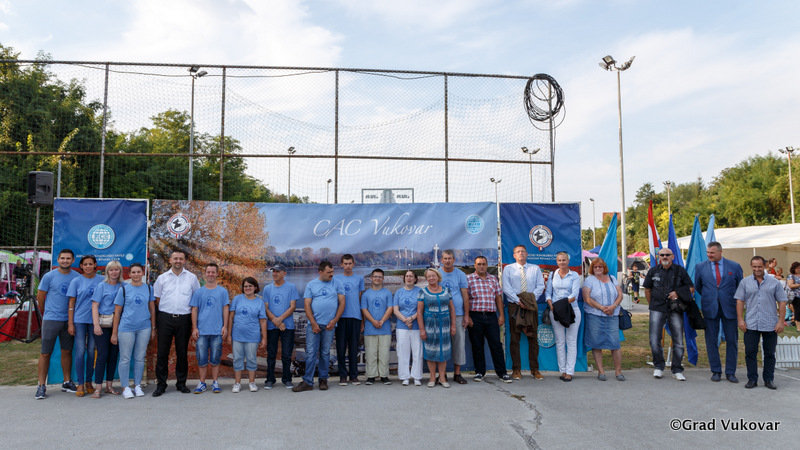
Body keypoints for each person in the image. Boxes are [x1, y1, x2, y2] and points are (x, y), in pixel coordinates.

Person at [694, 242, 744, 383]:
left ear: (720, 252)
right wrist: (711, 297)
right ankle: (716, 371)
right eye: (708, 252)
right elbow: (699, 286)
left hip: (730, 308)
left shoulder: (734, 266)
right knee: (711, 340)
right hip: (710, 308)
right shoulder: (700, 267)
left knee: (732, 341)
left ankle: (730, 372)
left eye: (712, 253)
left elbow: (740, 287)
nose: (709, 255)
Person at [152, 250, 200, 397]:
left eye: (181, 259)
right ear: (170, 260)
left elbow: (196, 299)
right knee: (162, 353)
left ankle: (181, 383)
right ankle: (161, 385)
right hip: (165, 318)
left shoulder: (192, 278)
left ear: (184, 261)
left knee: (182, 352)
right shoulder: (162, 278)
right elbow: (157, 299)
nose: (178, 261)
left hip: (184, 319)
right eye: (175, 258)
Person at [736, 256, 788, 389]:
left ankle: (769, 379)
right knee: (750, 353)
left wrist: (781, 322)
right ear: (751, 266)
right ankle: (752, 379)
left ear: (764, 266)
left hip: (770, 324)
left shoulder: (775, 282)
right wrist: (740, 319)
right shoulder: (745, 282)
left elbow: (782, 302)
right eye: (754, 266)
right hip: (751, 323)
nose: (757, 269)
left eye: (759, 266)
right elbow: (740, 301)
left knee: (769, 353)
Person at [293, 261, 345, 392]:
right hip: (313, 325)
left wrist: (335, 320)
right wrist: (313, 323)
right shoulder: (311, 285)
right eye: (329, 272)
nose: (331, 275)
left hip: (329, 325)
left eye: (332, 272)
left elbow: (342, 303)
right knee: (311, 353)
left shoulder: (337, 283)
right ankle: (308, 381)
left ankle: (323, 379)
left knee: (325, 353)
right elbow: (307, 305)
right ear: (320, 272)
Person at [643, 248, 694, 381]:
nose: (665, 257)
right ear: (658, 257)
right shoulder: (653, 271)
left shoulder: (680, 270)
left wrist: (678, 293)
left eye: (667, 255)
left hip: (675, 309)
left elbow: (691, 288)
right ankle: (658, 367)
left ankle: (677, 369)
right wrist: (652, 304)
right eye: (662, 255)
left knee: (678, 341)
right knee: (654, 339)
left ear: (673, 256)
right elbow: (647, 289)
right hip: (657, 308)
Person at [35, 249, 80, 399]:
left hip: (69, 320)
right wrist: (46, 312)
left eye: (68, 258)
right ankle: (41, 385)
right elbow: (40, 296)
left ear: (73, 260)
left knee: (67, 351)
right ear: (58, 260)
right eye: (63, 258)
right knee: (45, 353)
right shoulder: (49, 276)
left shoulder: (77, 277)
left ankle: (66, 382)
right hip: (51, 319)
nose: (65, 261)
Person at [111, 263, 156, 399]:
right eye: (133, 272)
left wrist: (153, 328)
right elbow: (117, 312)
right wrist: (114, 333)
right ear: (129, 274)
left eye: (138, 272)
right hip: (126, 328)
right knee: (125, 358)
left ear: (142, 273)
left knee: (140, 357)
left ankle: (137, 385)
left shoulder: (149, 288)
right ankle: (125, 387)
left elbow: (152, 309)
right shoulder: (124, 290)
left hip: (144, 327)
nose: (136, 274)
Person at [501, 245, 545, 380]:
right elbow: (506, 287)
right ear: (514, 255)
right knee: (515, 339)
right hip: (515, 306)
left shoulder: (535, 268)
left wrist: (529, 300)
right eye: (518, 252)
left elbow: (540, 286)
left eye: (523, 251)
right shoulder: (508, 269)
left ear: (527, 254)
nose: (521, 253)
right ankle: (516, 370)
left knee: (533, 338)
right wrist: (518, 300)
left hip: (530, 306)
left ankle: (535, 370)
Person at [466, 256, 511, 383]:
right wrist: (467, 316)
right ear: (475, 265)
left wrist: (501, 315)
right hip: (475, 316)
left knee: (496, 345)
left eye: (483, 264)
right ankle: (480, 372)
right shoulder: (469, 279)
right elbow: (465, 299)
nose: (481, 266)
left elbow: (498, 297)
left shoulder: (493, 279)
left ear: (487, 265)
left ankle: (502, 373)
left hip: (491, 316)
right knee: (477, 345)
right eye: (479, 264)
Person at [582, 257, 625, 381]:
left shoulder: (612, 278)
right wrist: (601, 308)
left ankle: (618, 371)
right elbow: (587, 298)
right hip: (594, 315)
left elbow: (620, 294)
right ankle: (601, 372)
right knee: (596, 344)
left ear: (604, 267)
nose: (598, 268)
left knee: (615, 343)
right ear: (592, 268)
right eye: (595, 267)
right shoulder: (589, 280)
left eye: (600, 266)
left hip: (612, 315)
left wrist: (613, 306)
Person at [190, 263, 230, 394]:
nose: (211, 274)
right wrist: (194, 328)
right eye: (208, 272)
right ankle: (202, 383)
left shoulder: (222, 291)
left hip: (217, 331)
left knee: (215, 358)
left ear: (217, 274)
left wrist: (225, 326)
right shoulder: (199, 292)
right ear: (205, 274)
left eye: (213, 272)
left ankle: (215, 382)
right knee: (201, 358)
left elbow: (226, 309)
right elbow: (194, 309)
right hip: (202, 331)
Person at [67, 255, 102, 397]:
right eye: (85, 264)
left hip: (95, 321)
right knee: (80, 351)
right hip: (79, 320)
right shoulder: (76, 281)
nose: (88, 266)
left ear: (95, 265)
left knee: (91, 352)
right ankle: (80, 383)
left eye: (90, 264)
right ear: (81, 266)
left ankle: (89, 382)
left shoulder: (101, 280)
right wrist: (70, 323)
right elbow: (71, 303)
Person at [545, 252, 582, 382]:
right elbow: (548, 293)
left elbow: (574, 295)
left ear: (568, 261)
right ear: (557, 262)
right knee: (560, 341)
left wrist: (560, 305)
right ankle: (563, 370)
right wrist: (551, 304)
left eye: (564, 260)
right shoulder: (552, 275)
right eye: (559, 260)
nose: (562, 262)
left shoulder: (574, 275)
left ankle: (570, 372)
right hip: (555, 311)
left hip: (572, 310)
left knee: (571, 341)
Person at [417, 268, 456, 388]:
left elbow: (452, 309)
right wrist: (422, 329)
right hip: (430, 325)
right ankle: (432, 377)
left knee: (444, 350)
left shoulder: (446, 290)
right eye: (429, 276)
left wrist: (453, 325)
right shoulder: (423, 292)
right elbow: (419, 312)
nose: (431, 278)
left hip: (444, 325)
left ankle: (442, 377)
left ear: (438, 277)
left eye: (433, 276)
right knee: (431, 351)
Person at [228, 277, 267, 393]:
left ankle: (252, 382)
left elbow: (263, 321)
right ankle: (237, 383)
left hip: (253, 336)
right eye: (245, 286)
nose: (247, 288)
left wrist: (264, 338)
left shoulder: (259, 302)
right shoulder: (237, 299)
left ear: (255, 287)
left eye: (250, 286)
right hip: (237, 335)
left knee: (251, 359)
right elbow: (231, 317)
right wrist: (229, 334)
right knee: (237, 359)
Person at [262, 264, 298, 390]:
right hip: (272, 326)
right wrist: (276, 321)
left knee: (286, 354)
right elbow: (265, 308)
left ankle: (287, 379)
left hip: (287, 326)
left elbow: (292, 306)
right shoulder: (267, 289)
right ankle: (270, 379)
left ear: (284, 273)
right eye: (273, 271)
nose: (274, 274)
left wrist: (280, 319)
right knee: (271, 354)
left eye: (277, 271)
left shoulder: (291, 287)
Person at [91, 260, 122, 398]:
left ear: (120, 271)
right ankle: (98, 387)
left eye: (116, 269)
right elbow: (95, 305)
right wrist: (96, 325)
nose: (114, 272)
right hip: (103, 324)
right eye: (111, 270)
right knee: (102, 356)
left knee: (113, 356)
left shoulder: (124, 286)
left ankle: (109, 386)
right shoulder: (101, 286)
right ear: (107, 272)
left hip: (118, 326)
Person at [333, 254, 364, 386]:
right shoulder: (335, 279)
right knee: (340, 348)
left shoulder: (359, 279)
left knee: (353, 347)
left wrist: (362, 320)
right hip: (340, 317)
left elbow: (360, 299)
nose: (347, 266)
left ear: (353, 264)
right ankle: (342, 375)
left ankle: (354, 375)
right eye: (345, 264)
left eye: (350, 263)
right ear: (341, 265)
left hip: (355, 316)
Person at [440, 250, 469, 384]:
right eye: (445, 258)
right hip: (441, 315)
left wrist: (466, 315)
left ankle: (457, 374)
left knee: (459, 344)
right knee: (442, 345)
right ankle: (442, 374)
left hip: (458, 314)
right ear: (442, 260)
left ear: (454, 260)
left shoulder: (460, 274)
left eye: (450, 258)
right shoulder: (437, 274)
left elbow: (465, 295)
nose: (447, 261)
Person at [361, 268, 393, 385]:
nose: (377, 279)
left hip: (385, 328)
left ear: (383, 279)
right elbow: (364, 309)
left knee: (384, 353)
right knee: (371, 353)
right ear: (371, 278)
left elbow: (390, 308)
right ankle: (371, 376)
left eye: (380, 277)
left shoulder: (387, 293)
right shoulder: (366, 294)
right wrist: (373, 321)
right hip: (370, 328)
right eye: (375, 276)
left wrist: (382, 320)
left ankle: (384, 375)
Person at [393, 270, 423, 386]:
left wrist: (411, 319)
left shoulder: (420, 291)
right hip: (402, 326)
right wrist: (405, 320)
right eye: (407, 276)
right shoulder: (399, 292)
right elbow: (396, 310)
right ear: (404, 278)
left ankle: (416, 377)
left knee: (417, 352)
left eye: (411, 276)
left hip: (416, 326)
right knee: (403, 353)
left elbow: (421, 309)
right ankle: (404, 377)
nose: (409, 278)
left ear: (415, 279)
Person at [786, 262, 800, 332]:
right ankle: (798, 328)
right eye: (798, 268)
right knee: (798, 311)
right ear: (794, 269)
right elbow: (791, 285)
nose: (799, 269)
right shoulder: (791, 276)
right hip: (796, 296)